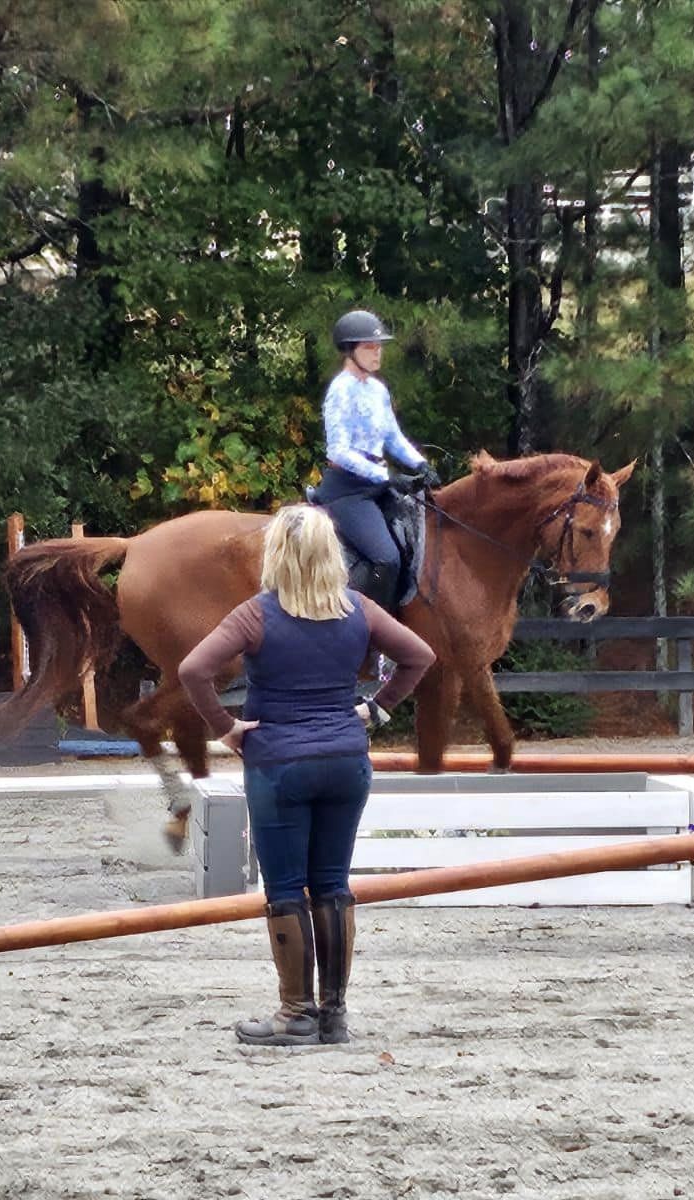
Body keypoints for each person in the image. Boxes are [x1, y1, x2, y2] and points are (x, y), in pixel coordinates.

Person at [179, 505, 435, 1047]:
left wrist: (225, 727)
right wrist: (378, 709)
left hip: (279, 765)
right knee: (334, 884)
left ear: (277, 553)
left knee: (286, 887)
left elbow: (193, 670)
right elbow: (420, 655)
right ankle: (334, 1016)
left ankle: (296, 1014)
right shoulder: (359, 609)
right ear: (331, 554)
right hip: (346, 761)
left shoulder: (256, 615)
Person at [311, 309, 440, 610]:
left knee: (414, 549)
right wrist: (387, 477)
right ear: (349, 350)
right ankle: (362, 631)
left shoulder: (378, 390)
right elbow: (338, 451)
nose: (377, 352)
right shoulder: (340, 391)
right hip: (347, 491)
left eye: (379, 346)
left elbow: (393, 438)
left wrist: (420, 464)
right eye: (370, 347)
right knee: (386, 557)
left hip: (375, 486)